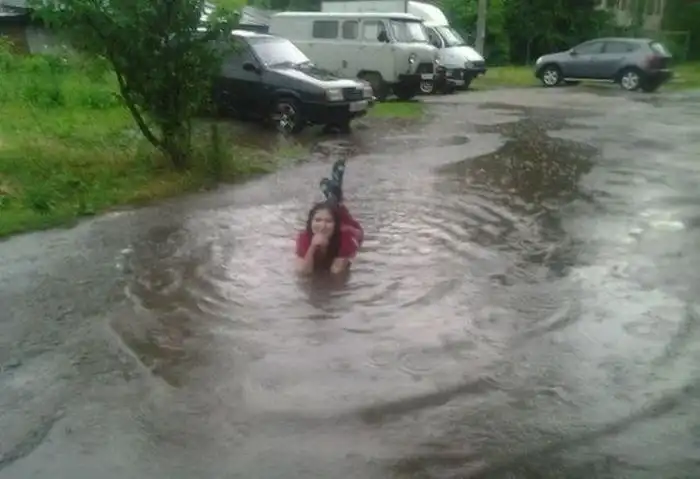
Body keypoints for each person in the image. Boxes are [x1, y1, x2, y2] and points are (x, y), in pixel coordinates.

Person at [295, 159, 364, 275]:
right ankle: (334, 196)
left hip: (354, 231)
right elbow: (303, 273)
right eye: (317, 220)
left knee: (339, 210)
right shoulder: (304, 237)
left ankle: (335, 197)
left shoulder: (346, 237)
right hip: (334, 224)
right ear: (310, 222)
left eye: (328, 221)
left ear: (336, 225)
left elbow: (336, 273)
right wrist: (312, 247)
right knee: (332, 208)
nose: (322, 226)